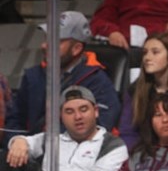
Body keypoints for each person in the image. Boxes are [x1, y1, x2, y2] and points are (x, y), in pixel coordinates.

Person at [3, 11, 121, 143]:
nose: (44, 45)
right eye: (46, 38)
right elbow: (14, 119)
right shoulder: (33, 76)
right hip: (30, 154)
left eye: (55, 41)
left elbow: (99, 128)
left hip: (78, 157)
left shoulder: (97, 80)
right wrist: (15, 141)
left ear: (76, 48)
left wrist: (37, 145)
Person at [0, 86, 128, 171]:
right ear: (61, 116)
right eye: (69, 111)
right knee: (4, 157)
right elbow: (24, 141)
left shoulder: (112, 145)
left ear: (95, 112)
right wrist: (19, 142)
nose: (78, 117)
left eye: (83, 109)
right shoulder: (52, 140)